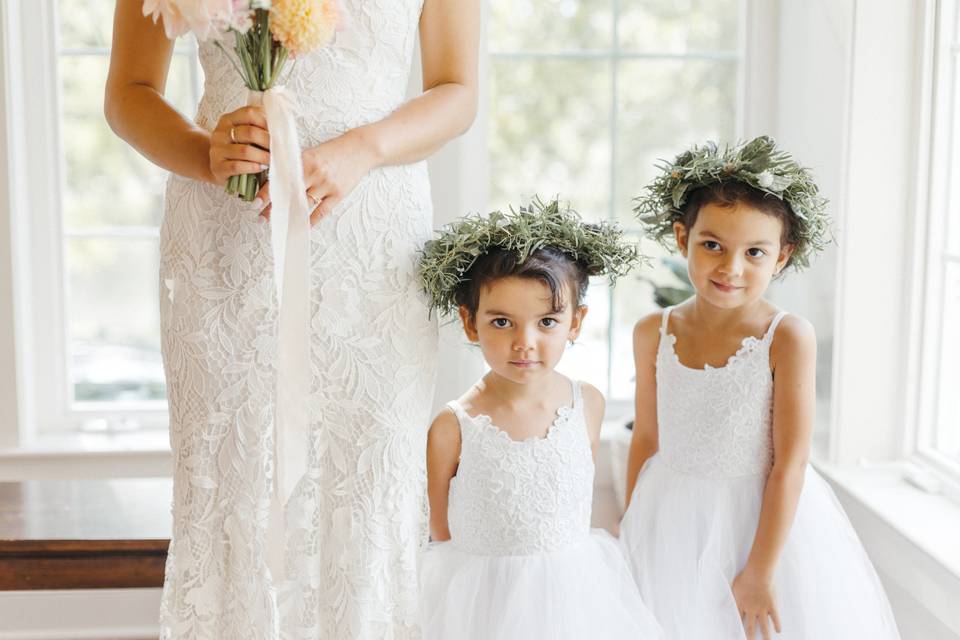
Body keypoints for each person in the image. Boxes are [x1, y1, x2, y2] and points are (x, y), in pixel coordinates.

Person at [103, 1, 478, 637]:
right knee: (233, 481)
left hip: (371, 241)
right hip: (228, 234)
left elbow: (458, 91)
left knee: (366, 480)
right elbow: (128, 92)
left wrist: (364, 148)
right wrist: (204, 153)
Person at [620, 136, 901, 639]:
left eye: (755, 252)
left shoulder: (787, 336)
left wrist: (761, 571)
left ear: (782, 256)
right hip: (672, 517)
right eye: (712, 246)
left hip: (762, 524)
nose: (732, 268)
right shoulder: (653, 332)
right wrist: (632, 533)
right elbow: (646, 439)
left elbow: (790, 462)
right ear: (681, 236)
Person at [416, 198, 662, 640]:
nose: (524, 342)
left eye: (547, 321)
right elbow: (440, 529)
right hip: (482, 603)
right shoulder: (453, 427)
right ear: (470, 324)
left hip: (574, 596)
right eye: (502, 322)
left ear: (575, 322)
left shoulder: (587, 403)